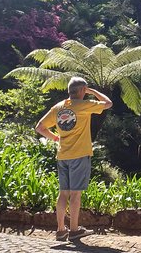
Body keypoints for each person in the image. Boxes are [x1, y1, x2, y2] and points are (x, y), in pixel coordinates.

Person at [35, 77, 112, 241]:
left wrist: (55, 138)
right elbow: (108, 103)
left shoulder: (58, 107)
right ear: (82, 90)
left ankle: (61, 229)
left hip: (63, 155)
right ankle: (75, 230)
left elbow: (40, 127)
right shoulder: (83, 105)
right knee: (76, 195)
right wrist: (93, 91)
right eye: (85, 90)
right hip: (80, 155)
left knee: (63, 194)